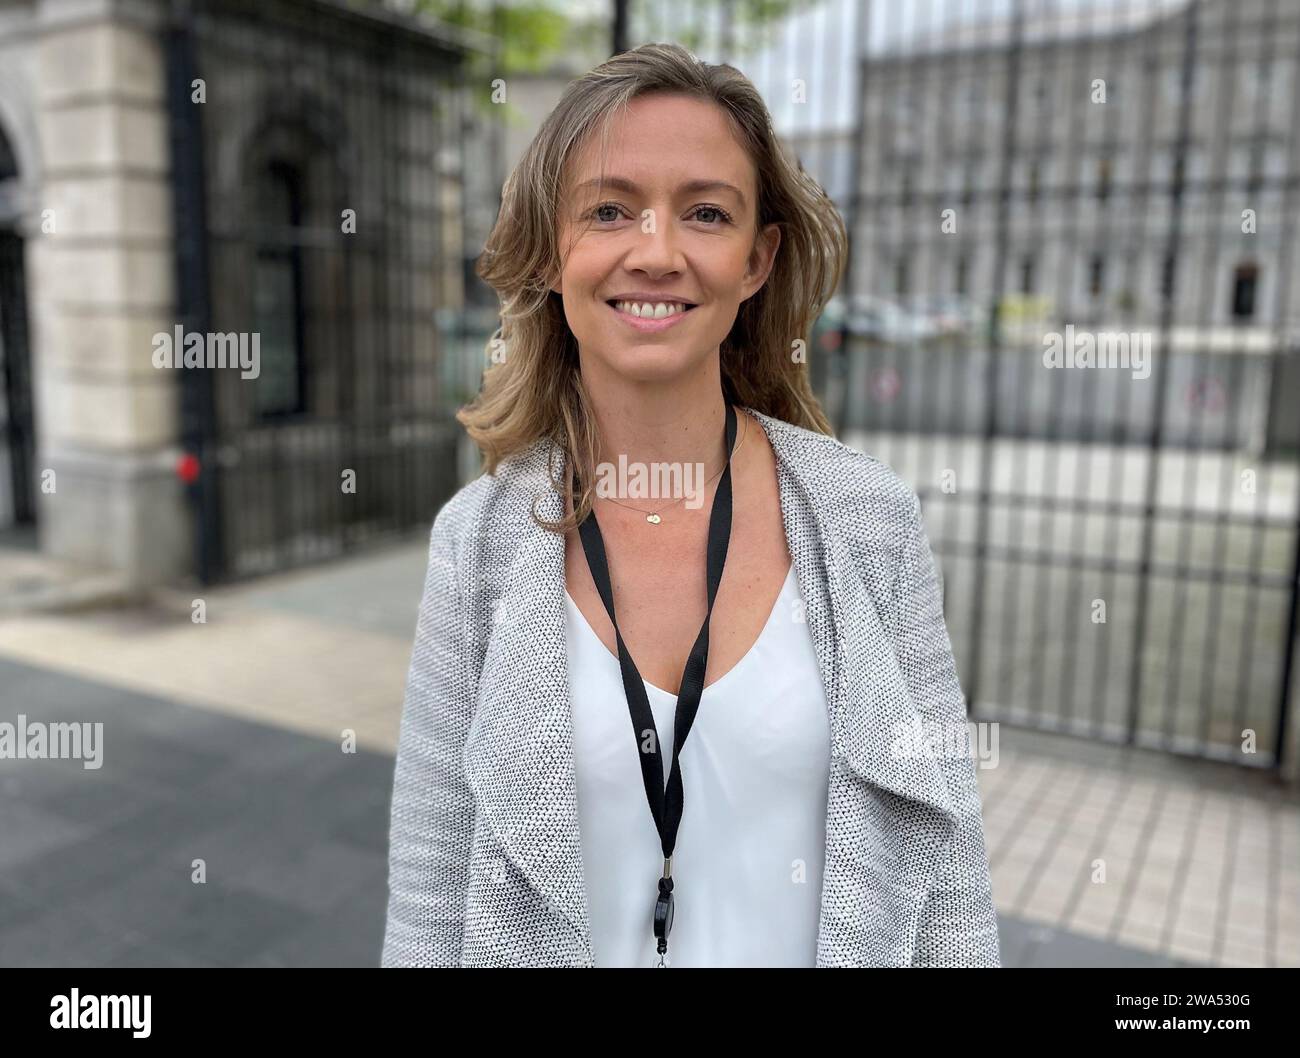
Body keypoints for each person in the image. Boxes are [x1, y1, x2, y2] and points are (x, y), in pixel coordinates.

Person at [381, 42, 1000, 968]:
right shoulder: (476, 543)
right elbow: (430, 892)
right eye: (609, 209)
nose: (657, 251)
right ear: (553, 251)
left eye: (705, 212)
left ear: (757, 259)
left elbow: (947, 867)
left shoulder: (867, 518)